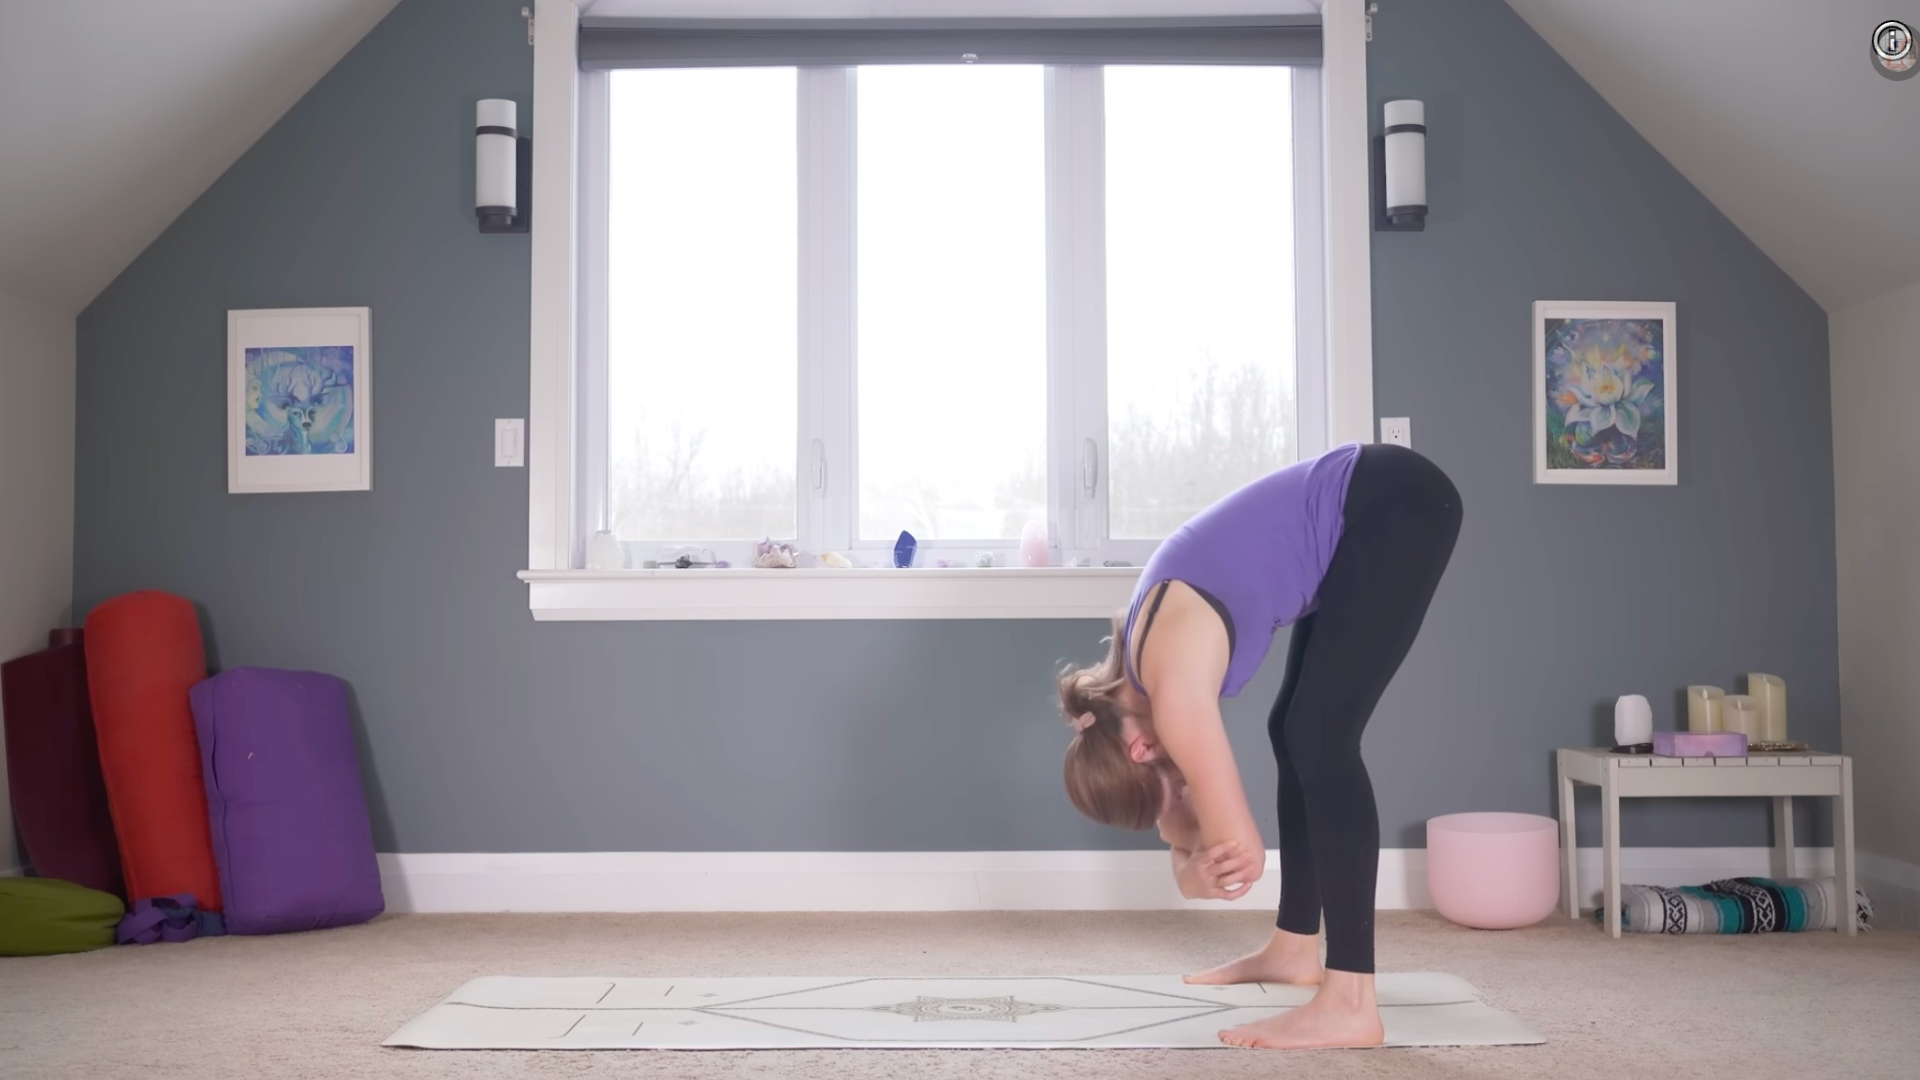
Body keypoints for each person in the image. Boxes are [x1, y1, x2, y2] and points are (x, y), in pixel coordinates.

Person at [1058, 441, 1462, 1050]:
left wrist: (1195, 866)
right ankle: (1295, 948)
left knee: (1321, 735)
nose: (1184, 788)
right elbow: (1191, 844)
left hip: (1394, 501)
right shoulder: (1142, 663)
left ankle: (1351, 1001)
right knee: (1294, 728)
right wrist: (1187, 870)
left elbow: (1234, 850)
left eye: (1169, 793)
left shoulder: (1171, 695)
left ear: (1141, 752)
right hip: (1365, 511)